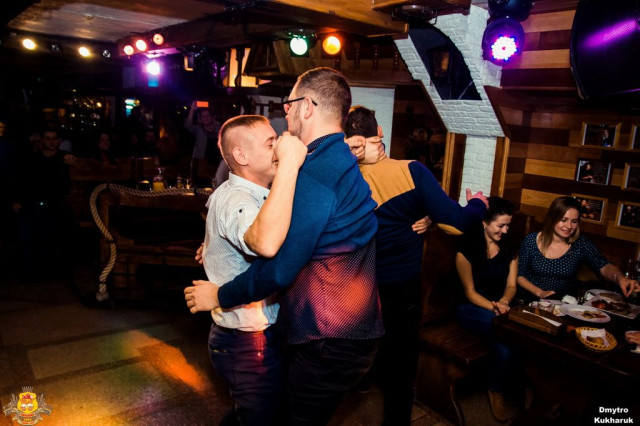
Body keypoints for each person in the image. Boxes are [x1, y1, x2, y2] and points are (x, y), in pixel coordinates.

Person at [185, 67, 383, 425]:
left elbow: (278, 266)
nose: (285, 113)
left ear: (307, 107)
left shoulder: (313, 173)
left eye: (289, 104)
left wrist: (220, 295)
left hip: (330, 338)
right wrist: (217, 246)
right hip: (341, 333)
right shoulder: (333, 156)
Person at [344, 105, 487, 425]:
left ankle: (363, 383)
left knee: (362, 345)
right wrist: (478, 203)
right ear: (379, 133)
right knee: (402, 360)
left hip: (356, 283)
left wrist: (426, 215)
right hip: (399, 285)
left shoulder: (343, 179)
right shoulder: (411, 171)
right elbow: (457, 225)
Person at [199, 115, 307, 425]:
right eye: (270, 143)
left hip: (255, 335)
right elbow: (265, 243)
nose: (278, 149)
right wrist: (289, 165)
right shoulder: (237, 199)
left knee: (258, 414)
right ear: (241, 155)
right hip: (245, 341)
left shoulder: (256, 193)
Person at [455, 196, 521, 423]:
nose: (505, 230)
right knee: (506, 333)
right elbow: (470, 293)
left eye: (508, 225)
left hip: (500, 307)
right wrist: (494, 307)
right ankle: (496, 390)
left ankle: (503, 387)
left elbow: (512, 285)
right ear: (485, 222)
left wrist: (504, 300)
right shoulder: (467, 249)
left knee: (507, 343)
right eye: (500, 225)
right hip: (471, 307)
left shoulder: (510, 246)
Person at [517, 196, 638, 300]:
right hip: (530, 299)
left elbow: (604, 265)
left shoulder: (580, 243)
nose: (569, 226)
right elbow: (519, 275)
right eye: (564, 220)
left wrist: (621, 278)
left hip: (562, 303)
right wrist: (540, 293)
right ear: (552, 219)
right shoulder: (531, 240)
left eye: (574, 221)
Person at [186, 100, 222, 165]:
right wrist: (192, 110)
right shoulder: (199, 129)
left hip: (218, 161)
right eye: (203, 116)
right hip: (203, 162)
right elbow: (188, 126)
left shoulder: (218, 129)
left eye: (208, 115)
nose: (206, 118)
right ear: (200, 119)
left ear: (211, 117)